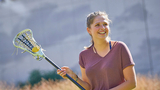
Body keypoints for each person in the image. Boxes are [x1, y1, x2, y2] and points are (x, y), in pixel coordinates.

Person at [57, 11, 137, 90]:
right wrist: (74, 78)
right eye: (97, 25)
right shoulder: (83, 55)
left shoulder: (120, 47)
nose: (102, 28)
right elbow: (88, 88)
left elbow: (131, 83)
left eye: (105, 24)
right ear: (89, 30)